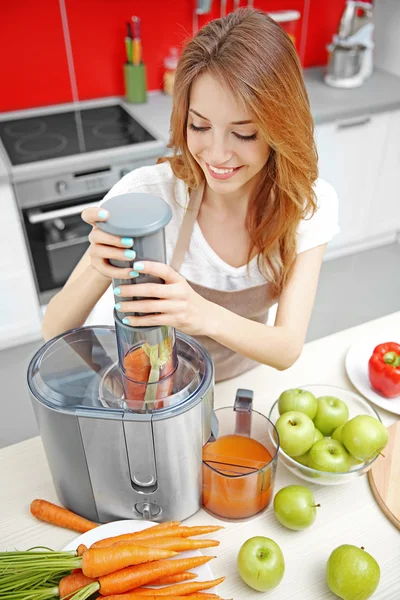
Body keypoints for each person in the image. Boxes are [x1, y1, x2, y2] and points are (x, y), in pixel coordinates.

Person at [42, 8, 339, 382]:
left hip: (240, 380)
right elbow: (54, 328)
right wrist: (98, 269)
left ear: (280, 128)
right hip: (154, 389)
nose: (216, 155)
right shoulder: (149, 195)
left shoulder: (306, 205)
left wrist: (200, 313)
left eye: (244, 133)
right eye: (199, 126)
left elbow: (286, 348)